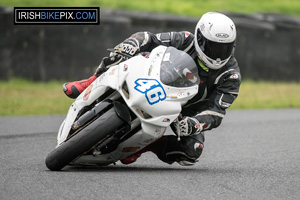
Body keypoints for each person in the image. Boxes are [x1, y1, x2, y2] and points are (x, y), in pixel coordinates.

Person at [63, 12, 241, 166]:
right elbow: (149, 38)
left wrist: (194, 124)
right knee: (125, 53)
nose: (218, 56)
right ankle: (92, 81)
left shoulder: (231, 76)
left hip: (181, 112)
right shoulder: (185, 39)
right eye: (213, 47)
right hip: (154, 80)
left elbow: (217, 112)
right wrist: (133, 44)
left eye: (224, 49)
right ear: (199, 38)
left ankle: (146, 145)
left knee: (192, 151)